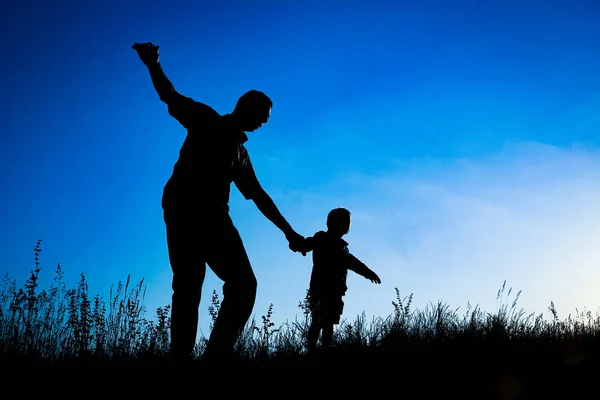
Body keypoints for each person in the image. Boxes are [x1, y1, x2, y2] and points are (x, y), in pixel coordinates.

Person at [131, 42, 305, 365]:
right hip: (186, 211)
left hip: (213, 218)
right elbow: (170, 96)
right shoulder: (205, 119)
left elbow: (259, 196)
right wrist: (152, 64)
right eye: (262, 116)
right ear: (246, 107)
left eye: (265, 120)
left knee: (242, 284)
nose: (263, 123)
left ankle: (215, 355)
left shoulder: (240, 153)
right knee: (188, 287)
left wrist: (289, 232)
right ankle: (181, 359)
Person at [298, 207, 381, 352]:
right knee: (318, 320)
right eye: (344, 221)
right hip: (321, 288)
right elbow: (307, 243)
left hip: (335, 291)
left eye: (347, 222)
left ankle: (325, 350)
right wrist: (299, 245)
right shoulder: (321, 238)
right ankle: (311, 350)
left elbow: (355, 264)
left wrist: (369, 273)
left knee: (328, 322)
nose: (346, 225)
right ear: (330, 223)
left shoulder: (343, 248)